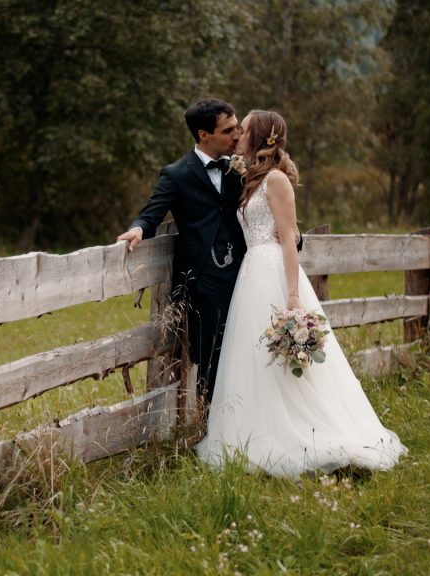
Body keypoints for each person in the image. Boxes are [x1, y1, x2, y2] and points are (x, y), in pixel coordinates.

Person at [195, 110, 406, 478]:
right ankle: (255, 431)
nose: (238, 135)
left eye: (243, 129)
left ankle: (310, 432)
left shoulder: (276, 180)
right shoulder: (249, 178)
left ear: (260, 136)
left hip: (275, 275)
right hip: (250, 277)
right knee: (256, 359)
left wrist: (293, 297)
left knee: (285, 359)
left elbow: (290, 241)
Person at [118, 99, 299, 407]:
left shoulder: (243, 170)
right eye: (229, 130)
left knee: (254, 346)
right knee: (211, 352)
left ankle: (259, 411)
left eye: (239, 128)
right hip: (203, 279)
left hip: (246, 273)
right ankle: (213, 419)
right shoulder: (176, 174)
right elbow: (151, 212)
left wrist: (291, 240)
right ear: (204, 135)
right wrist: (138, 229)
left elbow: (274, 213)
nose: (237, 135)